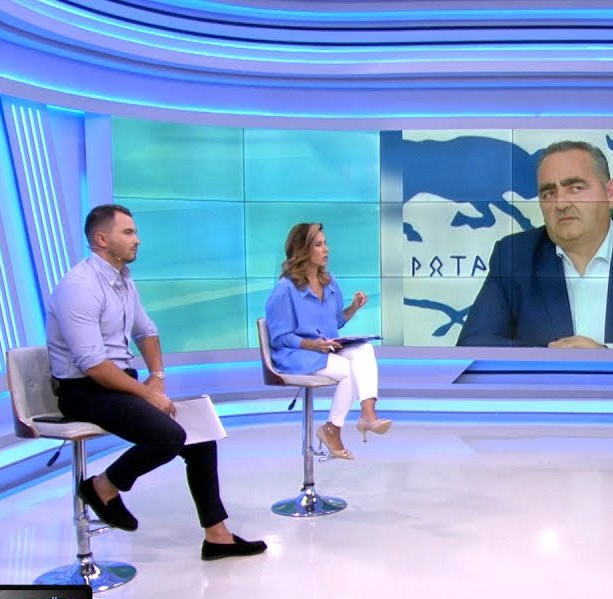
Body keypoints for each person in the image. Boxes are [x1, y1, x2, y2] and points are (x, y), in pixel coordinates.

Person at [45, 204, 266, 561]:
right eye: (128, 232)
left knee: (200, 435)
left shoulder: (123, 280)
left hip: (118, 384)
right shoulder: (79, 287)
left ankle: (217, 536)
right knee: (169, 436)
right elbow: (94, 366)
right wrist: (145, 394)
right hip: (84, 391)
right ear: (101, 239)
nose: (137, 239)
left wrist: (157, 378)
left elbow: (146, 331)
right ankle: (102, 486)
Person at [456, 140, 613, 348]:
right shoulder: (514, 257)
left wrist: (608, 355)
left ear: (610, 193)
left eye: (576, 188)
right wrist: (551, 359)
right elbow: (474, 343)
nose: (561, 204)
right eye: (549, 193)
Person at [265, 222, 391, 460]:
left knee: (364, 350)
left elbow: (334, 322)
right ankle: (333, 429)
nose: (326, 249)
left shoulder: (330, 282)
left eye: (325, 243)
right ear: (303, 250)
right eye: (318, 245)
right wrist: (312, 345)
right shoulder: (285, 289)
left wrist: (352, 309)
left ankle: (367, 415)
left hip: (325, 350)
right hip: (296, 354)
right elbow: (280, 337)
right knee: (349, 370)